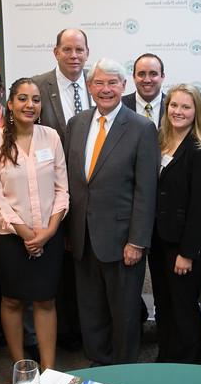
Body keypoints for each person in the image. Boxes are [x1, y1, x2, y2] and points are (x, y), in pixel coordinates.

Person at [65, 58, 159, 365]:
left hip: (122, 241)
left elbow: (146, 191)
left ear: (124, 86)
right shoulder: (76, 124)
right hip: (83, 237)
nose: (105, 89)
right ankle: (99, 362)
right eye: (99, 83)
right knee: (90, 308)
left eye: (112, 83)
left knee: (124, 311)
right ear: (89, 86)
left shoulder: (142, 128)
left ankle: (125, 367)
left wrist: (137, 241)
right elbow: (73, 181)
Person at [0, 77, 69, 371]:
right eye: (23, 98)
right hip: (9, 239)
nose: (29, 105)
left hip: (49, 234)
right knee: (12, 301)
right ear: (10, 103)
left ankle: (49, 368)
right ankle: (21, 367)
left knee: (46, 301)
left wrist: (50, 231)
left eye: (35, 99)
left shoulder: (51, 137)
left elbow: (62, 189)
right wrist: (24, 232)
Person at [149, 84, 201, 364]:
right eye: (173, 105)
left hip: (185, 246)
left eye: (185, 106)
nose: (178, 111)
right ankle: (167, 359)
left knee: (183, 307)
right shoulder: (159, 141)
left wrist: (187, 253)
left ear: (196, 111)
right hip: (159, 240)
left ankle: (190, 367)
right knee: (164, 304)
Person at [33, 27, 92, 350]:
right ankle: (66, 331)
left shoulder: (99, 84)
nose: (73, 56)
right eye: (67, 50)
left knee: (87, 263)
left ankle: (87, 327)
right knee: (59, 265)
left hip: (91, 194)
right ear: (56, 52)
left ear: (87, 53)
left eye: (79, 50)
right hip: (51, 193)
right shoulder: (39, 86)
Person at [122, 53, 166, 125]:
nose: (147, 80)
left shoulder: (173, 107)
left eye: (153, 74)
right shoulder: (119, 105)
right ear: (134, 77)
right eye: (141, 74)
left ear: (162, 76)